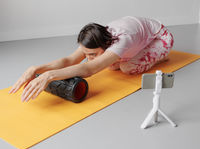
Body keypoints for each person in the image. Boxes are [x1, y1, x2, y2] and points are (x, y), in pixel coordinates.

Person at [9, 16, 174, 102]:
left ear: (106, 45)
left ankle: (160, 57)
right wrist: (36, 69)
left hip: (161, 38)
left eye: (92, 54)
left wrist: (50, 75)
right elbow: (69, 60)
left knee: (126, 68)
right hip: (137, 37)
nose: (87, 58)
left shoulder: (122, 40)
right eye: (86, 53)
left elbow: (89, 69)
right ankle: (129, 54)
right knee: (109, 65)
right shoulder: (96, 38)